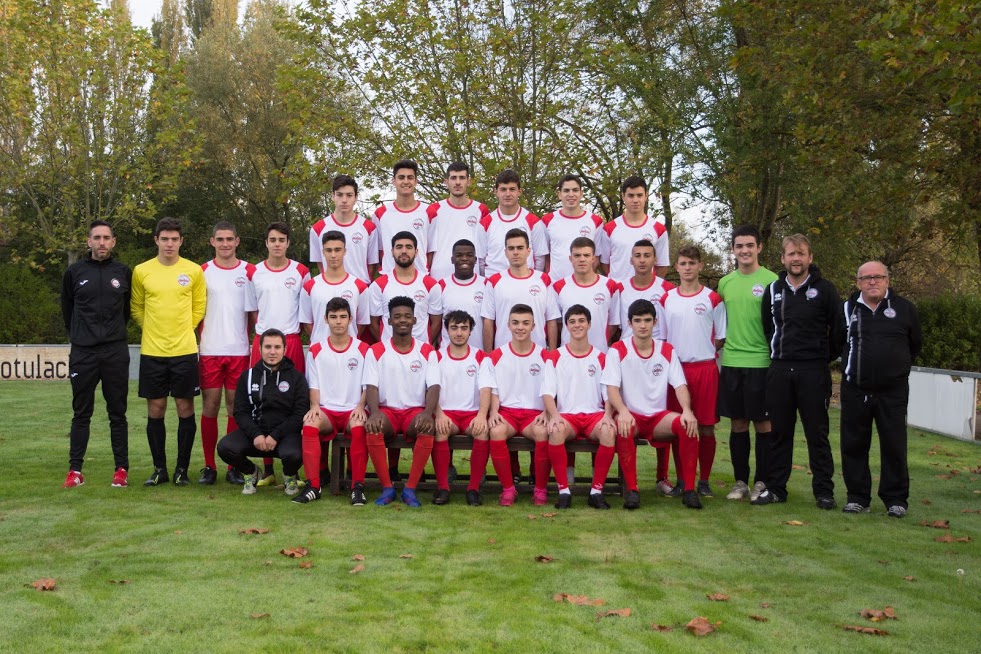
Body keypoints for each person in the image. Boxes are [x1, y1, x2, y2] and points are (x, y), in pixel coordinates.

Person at [754, 234, 844, 509]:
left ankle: (824, 492)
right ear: (783, 258)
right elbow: (768, 328)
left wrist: (822, 357)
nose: (796, 258)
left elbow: (838, 330)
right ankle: (777, 489)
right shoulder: (773, 289)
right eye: (791, 254)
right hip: (780, 370)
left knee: (817, 434)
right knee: (779, 434)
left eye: (801, 253)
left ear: (810, 257)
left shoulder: (825, 290)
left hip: (813, 371)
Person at [602, 299, 702, 510]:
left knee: (687, 424)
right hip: (632, 415)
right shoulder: (618, 349)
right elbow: (612, 388)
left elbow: (680, 385)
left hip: (658, 417)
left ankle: (689, 491)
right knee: (623, 425)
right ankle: (632, 491)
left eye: (647, 320)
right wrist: (623, 411)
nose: (643, 325)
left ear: (655, 322)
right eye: (638, 320)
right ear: (629, 323)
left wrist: (687, 411)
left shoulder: (666, 349)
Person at [840, 261, 921, 517]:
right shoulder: (848, 308)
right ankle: (857, 498)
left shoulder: (904, 308)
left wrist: (895, 369)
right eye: (866, 278)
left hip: (892, 391)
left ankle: (895, 499)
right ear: (858, 283)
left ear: (887, 280)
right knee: (853, 444)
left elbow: (915, 345)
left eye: (877, 277)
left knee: (894, 445)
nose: (872, 281)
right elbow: (837, 343)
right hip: (855, 389)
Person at [131, 217, 207, 486]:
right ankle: (159, 469)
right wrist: (152, 328)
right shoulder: (142, 271)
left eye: (174, 239)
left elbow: (199, 306)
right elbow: (137, 307)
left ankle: (181, 470)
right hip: (153, 352)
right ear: (156, 240)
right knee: (156, 408)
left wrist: (184, 328)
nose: (169, 244)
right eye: (165, 239)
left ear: (181, 241)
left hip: (184, 351)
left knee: (185, 408)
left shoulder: (193, 271)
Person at [60, 220, 132, 488]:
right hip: (83, 353)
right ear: (89, 241)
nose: (102, 242)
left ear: (113, 242)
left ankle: (121, 470)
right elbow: (68, 310)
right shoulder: (74, 272)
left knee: (118, 413)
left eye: (106, 238)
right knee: (81, 412)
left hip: (115, 351)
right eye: (97, 238)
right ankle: (75, 471)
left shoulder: (123, 272)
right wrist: (82, 336)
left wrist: (111, 334)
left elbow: (125, 311)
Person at [609, 238, 676, 493]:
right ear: (631, 259)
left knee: (661, 411)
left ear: (655, 260)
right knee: (626, 417)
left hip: (657, 359)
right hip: (629, 360)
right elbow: (615, 325)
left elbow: (668, 328)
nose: (642, 260)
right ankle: (630, 483)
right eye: (637, 255)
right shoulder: (621, 288)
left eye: (647, 255)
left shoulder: (666, 289)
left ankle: (662, 477)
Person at [246, 222, 311, 486]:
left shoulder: (301, 271)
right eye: (272, 239)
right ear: (266, 242)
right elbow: (253, 311)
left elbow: (305, 311)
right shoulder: (254, 272)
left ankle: (292, 469)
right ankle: (268, 469)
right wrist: (264, 339)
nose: (277, 244)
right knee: (261, 401)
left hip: (291, 340)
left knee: (294, 402)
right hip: (263, 341)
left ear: (288, 243)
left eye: (282, 240)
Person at [716, 225, 778, 501]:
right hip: (732, 362)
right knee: (738, 424)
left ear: (759, 247)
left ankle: (762, 482)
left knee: (763, 424)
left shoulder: (772, 281)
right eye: (739, 246)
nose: (744, 250)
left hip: (762, 363)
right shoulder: (725, 283)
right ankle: (740, 482)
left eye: (749, 245)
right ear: (733, 249)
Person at [659, 246, 727, 498]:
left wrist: (701, 350)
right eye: (683, 263)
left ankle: (704, 481)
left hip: (705, 369)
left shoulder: (713, 299)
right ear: (676, 267)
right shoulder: (667, 299)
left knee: (706, 427)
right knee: (680, 427)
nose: (687, 267)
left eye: (692, 263)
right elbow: (663, 337)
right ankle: (681, 480)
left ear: (700, 266)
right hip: (676, 371)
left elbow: (720, 337)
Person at [363, 297, 441, 508]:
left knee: (428, 427)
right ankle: (387, 487)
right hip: (387, 411)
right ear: (389, 321)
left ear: (415, 320)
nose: (402, 320)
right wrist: (374, 412)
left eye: (407, 316)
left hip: (414, 411)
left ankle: (410, 489)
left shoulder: (427, 351)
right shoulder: (376, 350)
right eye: (397, 317)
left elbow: (434, 386)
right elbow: (371, 386)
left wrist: (427, 413)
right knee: (373, 427)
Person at [197, 222, 257, 486]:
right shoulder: (202, 271)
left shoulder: (250, 271)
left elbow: (254, 314)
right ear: (212, 242)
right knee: (210, 407)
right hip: (210, 350)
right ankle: (209, 466)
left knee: (235, 408)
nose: (225, 244)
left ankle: (234, 466)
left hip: (239, 351)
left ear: (237, 241)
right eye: (220, 239)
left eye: (229, 239)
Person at [295, 298, 370, 505]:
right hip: (326, 410)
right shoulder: (316, 350)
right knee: (310, 424)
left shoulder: (364, 349)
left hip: (353, 409)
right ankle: (314, 486)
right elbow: (314, 385)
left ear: (350, 319)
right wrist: (315, 406)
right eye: (334, 317)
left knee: (359, 426)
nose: (338, 321)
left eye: (343, 317)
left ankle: (357, 487)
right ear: (325, 319)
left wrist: (360, 405)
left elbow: (368, 385)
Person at [541, 305, 617, 510]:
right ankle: (564, 492)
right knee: (555, 430)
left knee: (609, 431)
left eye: (581, 321)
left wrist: (608, 415)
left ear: (589, 324)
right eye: (572, 321)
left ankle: (596, 492)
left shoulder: (601, 357)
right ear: (566, 326)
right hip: (567, 416)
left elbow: (609, 392)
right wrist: (555, 415)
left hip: (594, 416)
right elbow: (547, 392)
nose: (577, 325)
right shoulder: (555, 356)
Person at [217, 329, 307, 497]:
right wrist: (256, 434)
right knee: (225, 447)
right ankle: (251, 472)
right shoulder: (247, 376)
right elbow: (240, 412)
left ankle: (289, 475)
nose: (272, 352)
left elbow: (300, 413)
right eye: (268, 347)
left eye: (277, 347)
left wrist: (276, 435)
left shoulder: (297, 377)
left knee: (297, 454)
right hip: (256, 435)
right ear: (259, 349)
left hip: (284, 435)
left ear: (285, 349)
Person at [478, 304, 552, 506]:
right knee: (496, 431)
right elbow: (493, 389)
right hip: (507, 413)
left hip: (534, 414)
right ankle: (508, 489)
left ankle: (540, 489)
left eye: (526, 323)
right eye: (516, 323)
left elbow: (551, 388)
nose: (520, 327)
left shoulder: (544, 356)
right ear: (508, 325)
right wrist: (494, 411)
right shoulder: (496, 356)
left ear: (533, 326)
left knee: (542, 432)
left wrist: (547, 412)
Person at [435, 310, 491, 505]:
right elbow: (431, 389)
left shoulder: (481, 357)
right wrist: (439, 414)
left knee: (482, 431)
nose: (459, 333)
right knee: (440, 431)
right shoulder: (437, 357)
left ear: (470, 331)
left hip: (471, 415)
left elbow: (486, 389)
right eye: (454, 328)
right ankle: (443, 488)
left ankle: (473, 489)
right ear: (447, 330)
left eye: (464, 328)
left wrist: (482, 415)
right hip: (446, 414)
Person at [481, 229, 553, 350]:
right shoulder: (494, 281)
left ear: (528, 251)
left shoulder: (543, 279)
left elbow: (551, 318)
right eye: (511, 248)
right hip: (503, 352)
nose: (515, 252)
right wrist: (488, 355)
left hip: (538, 352)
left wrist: (552, 353)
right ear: (505, 252)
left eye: (520, 248)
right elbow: (488, 320)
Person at [546, 237, 620, 351]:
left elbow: (613, 323)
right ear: (570, 258)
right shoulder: (558, 287)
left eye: (586, 255)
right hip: (568, 354)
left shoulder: (610, 286)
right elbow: (558, 323)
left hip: (599, 353)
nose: (582, 259)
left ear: (593, 258)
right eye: (577, 255)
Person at [299, 230, 370, 347]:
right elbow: (306, 322)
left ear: (344, 251)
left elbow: (361, 323)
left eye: (337, 250)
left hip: (351, 351)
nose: (333, 255)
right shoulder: (309, 287)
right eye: (329, 250)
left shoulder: (360, 286)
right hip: (320, 350)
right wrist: (322, 344)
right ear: (323, 252)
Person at [308, 174, 379, 283]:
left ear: (356, 197)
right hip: (330, 289)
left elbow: (373, 264)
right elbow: (320, 263)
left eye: (349, 195)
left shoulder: (369, 227)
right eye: (340, 195)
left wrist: (361, 286)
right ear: (333, 196)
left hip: (361, 289)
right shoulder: (318, 229)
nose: (344, 200)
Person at [597, 176, 670, 280]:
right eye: (631, 195)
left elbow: (662, 266)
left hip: (646, 290)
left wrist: (650, 286)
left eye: (639, 195)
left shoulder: (659, 229)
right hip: (617, 289)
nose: (635, 200)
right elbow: (604, 264)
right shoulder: (609, 228)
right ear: (623, 196)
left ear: (646, 196)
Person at [478, 169, 546, 276]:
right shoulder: (485, 223)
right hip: (494, 281)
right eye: (503, 189)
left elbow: (540, 258)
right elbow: (480, 261)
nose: (508, 194)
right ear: (495, 191)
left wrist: (533, 279)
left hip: (525, 281)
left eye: (512, 189)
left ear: (519, 191)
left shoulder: (533, 221)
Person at [428, 162, 489, 280]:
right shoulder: (434, 210)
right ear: (446, 182)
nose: (457, 182)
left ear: (468, 181)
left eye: (462, 178)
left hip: (472, 276)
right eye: (453, 178)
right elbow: (428, 247)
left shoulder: (481, 210)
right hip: (440, 276)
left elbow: (485, 248)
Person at [374, 159, 434, 274]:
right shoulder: (380, 214)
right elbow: (379, 251)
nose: (406, 181)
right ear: (393, 181)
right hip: (389, 277)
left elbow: (431, 251)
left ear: (416, 181)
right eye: (401, 177)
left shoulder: (428, 212)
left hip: (420, 277)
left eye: (410, 177)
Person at [541, 174, 603, 281]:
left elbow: (596, 257)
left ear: (581, 194)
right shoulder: (547, 220)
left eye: (575, 190)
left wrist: (584, 279)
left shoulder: (595, 221)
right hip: (555, 284)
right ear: (559, 194)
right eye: (566, 191)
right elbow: (544, 255)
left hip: (584, 284)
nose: (571, 194)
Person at [437, 240, 488, 350]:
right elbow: (436, 322)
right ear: (452, 259)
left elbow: (490, 322)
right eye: (459, 255)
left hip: (478, 352)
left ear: (475, 260)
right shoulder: (441, 285)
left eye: (469, 255)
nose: (464, 258)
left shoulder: (486, 284)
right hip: (447, 354)